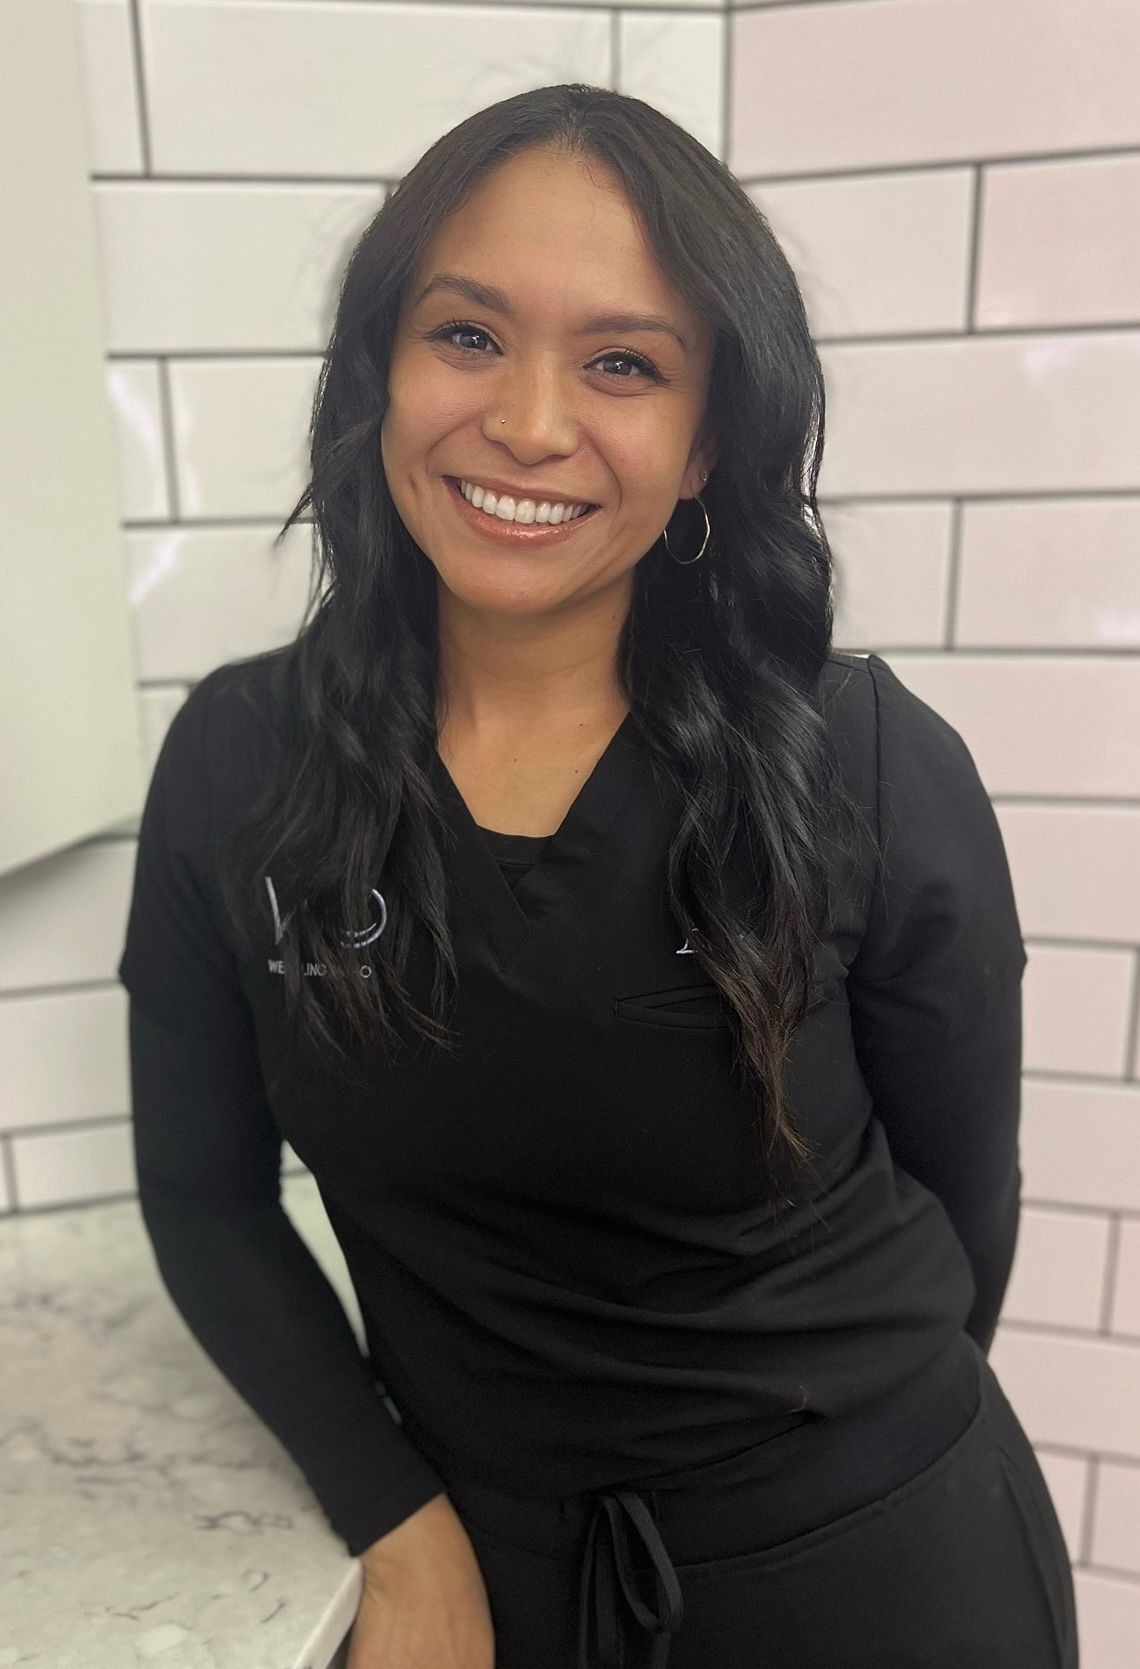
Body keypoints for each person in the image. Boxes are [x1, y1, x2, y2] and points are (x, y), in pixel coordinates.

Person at [118, 83, 1079, 1669]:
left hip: (879, 1575)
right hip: (481, 1588)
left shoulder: (866, 767)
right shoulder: (242, 767)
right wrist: (395, 1518)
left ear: (705, 445)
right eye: (469, 336)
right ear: (380, 374)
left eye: (623, 363)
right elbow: (204, 1197)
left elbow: (967, 1213)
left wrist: (812, 1490)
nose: (532, 423)